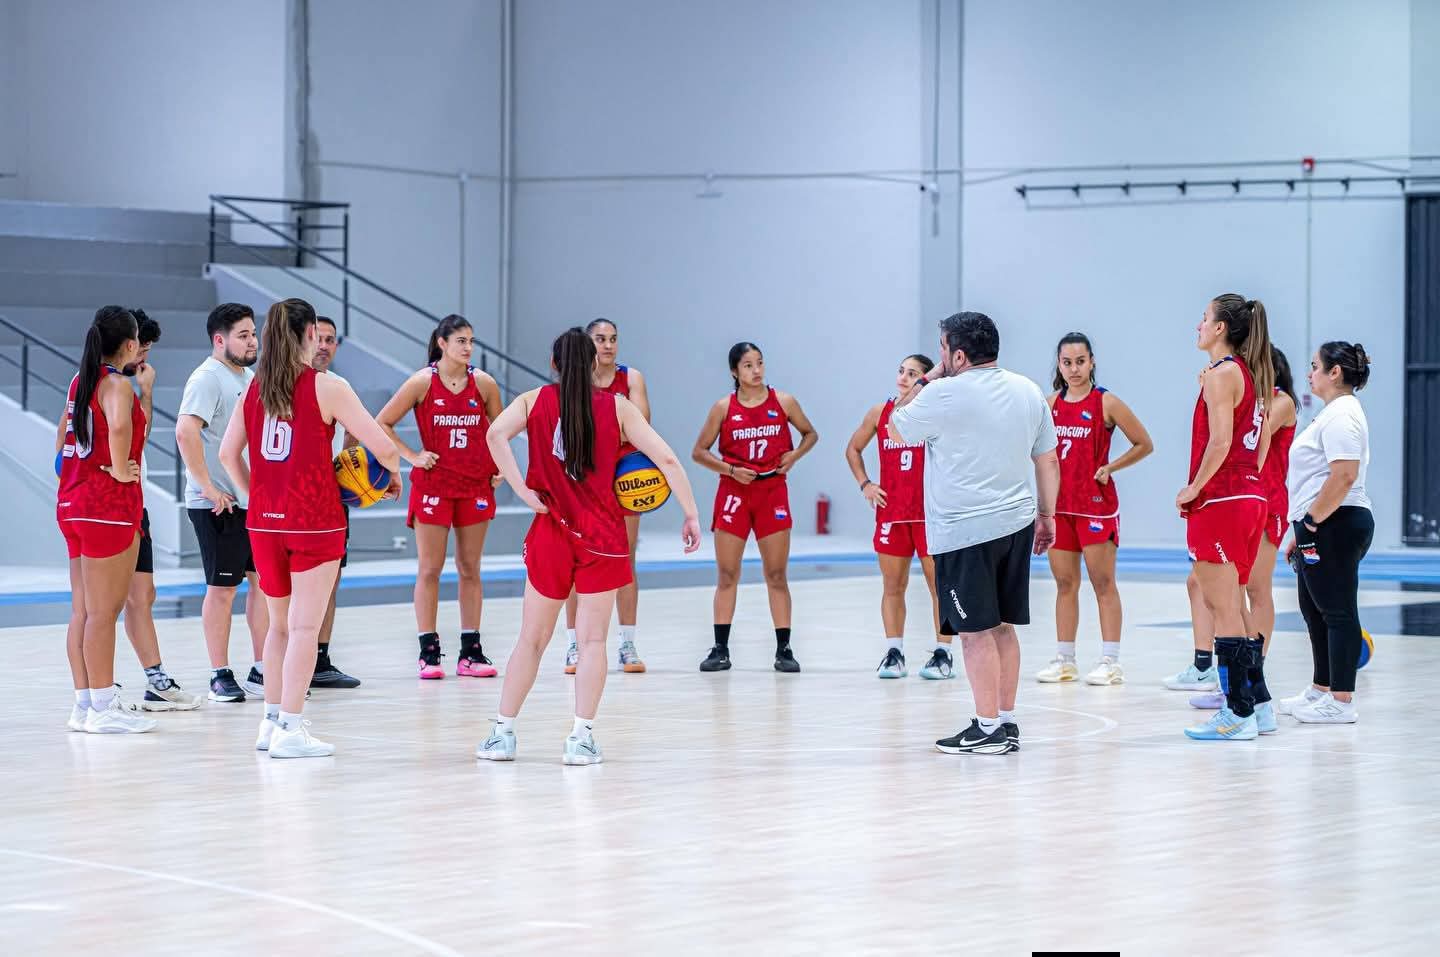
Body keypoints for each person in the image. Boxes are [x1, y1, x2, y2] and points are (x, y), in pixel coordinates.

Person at [476, 328, 701, 764]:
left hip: (551, 532)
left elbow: (493, 436)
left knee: (532, 639)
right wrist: (690, 513)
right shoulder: (617, 407)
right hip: (603, 536)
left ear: (554, 363)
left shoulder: (532, 401)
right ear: (596, 362)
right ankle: (580, 738)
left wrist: (523, 491)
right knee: (594, 640)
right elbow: (667, 459)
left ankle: (502, 733)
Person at [219, 298, 401, 758]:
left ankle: (271, 722)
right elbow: (385, 447)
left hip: (263, 523)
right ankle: (292, 729)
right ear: (306, 335)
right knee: (304, 629)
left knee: (278, 629)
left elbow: (226, 455)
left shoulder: (253, 390)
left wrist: (255, 495)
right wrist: (392, 474)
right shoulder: (326, 387)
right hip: (313, 524)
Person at [887, 312, 1058, 756]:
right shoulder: (1028, 390)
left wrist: (928, 378)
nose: (940, 356)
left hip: (965, 531)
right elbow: (1048, 460)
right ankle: (1005, 719)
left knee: (974, 633)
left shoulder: (942, 392)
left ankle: (986, 730)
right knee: (1003, 626)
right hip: (1017, 524)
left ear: (957, 354)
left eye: (943, 348)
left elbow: (896, 425)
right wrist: (1047, 515)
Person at [377, 314, 504, 679]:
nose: (468, 348)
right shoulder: (421, 382)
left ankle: (471, 652)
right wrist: (412, 455)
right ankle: (428, 651)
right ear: (442, 343)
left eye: (471, 341)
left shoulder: (484, 384)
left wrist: (499, 467)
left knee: (470, 568)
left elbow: (500, 430)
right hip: (434, 485)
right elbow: (382, 422)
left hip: (475, 485)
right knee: (430, 568)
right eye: (461, 341)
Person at [1177, 294, 1275, 741]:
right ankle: (1260, 705)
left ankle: (1236, 712)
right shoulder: (1250, 374)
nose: (1198, 324)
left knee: (1223, 609)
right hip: (1251, 496)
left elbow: (1219, 442)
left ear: (1220, 329)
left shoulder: (1221, 375)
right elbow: (1262, 443)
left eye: (1204, 317)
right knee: (1236, 603)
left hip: (1222, 500)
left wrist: (1195, 486)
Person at [56, 306, 156, 733]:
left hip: (73, 502)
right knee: (103, 613)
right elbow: (120, 428)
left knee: (82, 611)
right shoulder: (116, 383)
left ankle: (83, 705)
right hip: (107, 509)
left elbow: (61, 434)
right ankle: (103, 706)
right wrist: (118, 468)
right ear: (130, 344)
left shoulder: (81, 381)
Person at [691, 342, 819, 673]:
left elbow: (810, 434)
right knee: (727, 573)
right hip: (734, 492)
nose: (756, 370)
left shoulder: (783, 401)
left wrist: (794, 455)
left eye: (760, 363)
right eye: (748, 365)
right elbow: (699, 452)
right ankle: (720, 649)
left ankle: (784, 649)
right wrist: (732, 470)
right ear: (734, 371)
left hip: (772, 492)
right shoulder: (723, 407)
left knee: (776, 574)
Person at [1035, 333, 1153, 686]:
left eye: (1080, 361)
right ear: (1059, 364)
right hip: (1061, 508)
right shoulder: (1049, 404)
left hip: (1096, 508)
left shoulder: (1106, 402)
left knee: (1103, 583)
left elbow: (1144, 443)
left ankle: (1110, 660)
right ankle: (1065, 658)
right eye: (1067, 362)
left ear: (1092, 362)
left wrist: (1111, 467)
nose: (1074, 369)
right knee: (1064, 583)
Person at [1188, 344, 1297, 710]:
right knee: (1217, 589)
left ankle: (1247, 685)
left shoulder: (1278, 402)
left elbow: (1242, 436)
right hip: (1242, 501)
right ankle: (1237, 681)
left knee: (1253, 589)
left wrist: (1219, 388)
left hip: (1261, 502)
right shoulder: (1247, 397)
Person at [176, 303, 269, 702]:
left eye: (253, 334)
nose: (253, 341)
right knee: (223, 589)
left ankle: (263, 667)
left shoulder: (249, 378)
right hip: (218, 503)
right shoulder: (207, 378)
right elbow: (185, 432)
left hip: (252, 500)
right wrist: (208, 487)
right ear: (220, 339)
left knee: (263, 585)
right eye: (243, 335)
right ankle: (219, 672)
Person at [1277, 342, 1373, 724]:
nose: (1309, 373)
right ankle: (1320, 689)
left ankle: (1342, 700)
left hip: (1336, 522)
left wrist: (1313, 522)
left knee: (1337, 610)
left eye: (1315, 366)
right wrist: (1298, 531)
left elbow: (1344, 475)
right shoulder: (1330, 414)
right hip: (1317, 523)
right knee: (1314, 609)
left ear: (1335, 372)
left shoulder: (1343, 415)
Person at [845, 353, 953, 679]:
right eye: (901, 371)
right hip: (892, 511)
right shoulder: (880, 413)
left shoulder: (935, 415)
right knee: (893, 585)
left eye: (912, 373)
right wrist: (865, 483)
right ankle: (894, 652)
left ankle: (943, 653)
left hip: (929, 514)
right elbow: (852, 448)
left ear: (925, 380)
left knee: (939, 586)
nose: (904, 378)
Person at [122, 310, 202, 709]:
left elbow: (140, 434)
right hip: (112, 508)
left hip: (134, 506)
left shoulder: (123, 385)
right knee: (98, 607)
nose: (146, 357)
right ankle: (94, 696)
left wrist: (146, 394)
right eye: (144, 348)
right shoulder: (107, 386)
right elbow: (133, 443)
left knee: (143, 595)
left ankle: (155, 680)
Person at [563, 318, 651, 675]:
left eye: (613, 338)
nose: (608, 345)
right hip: (584, 481)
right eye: (600, 339)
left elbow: (641, 426)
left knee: (625, 561)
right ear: (587, 343)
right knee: (577, 564)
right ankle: (573, 646)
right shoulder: (576, 382)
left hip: (623, 480)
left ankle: (627, 644)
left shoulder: (631, 379)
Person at [308, 315, 361, 689]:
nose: (324, 345)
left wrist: (352, 476)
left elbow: (354, 436)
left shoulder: (341, 386)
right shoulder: (285, 383)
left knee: (331, 579)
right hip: (293, 497)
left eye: (331, 340)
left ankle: (320, 659)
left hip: (331, 496)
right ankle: (272, 661)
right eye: (319, 338)